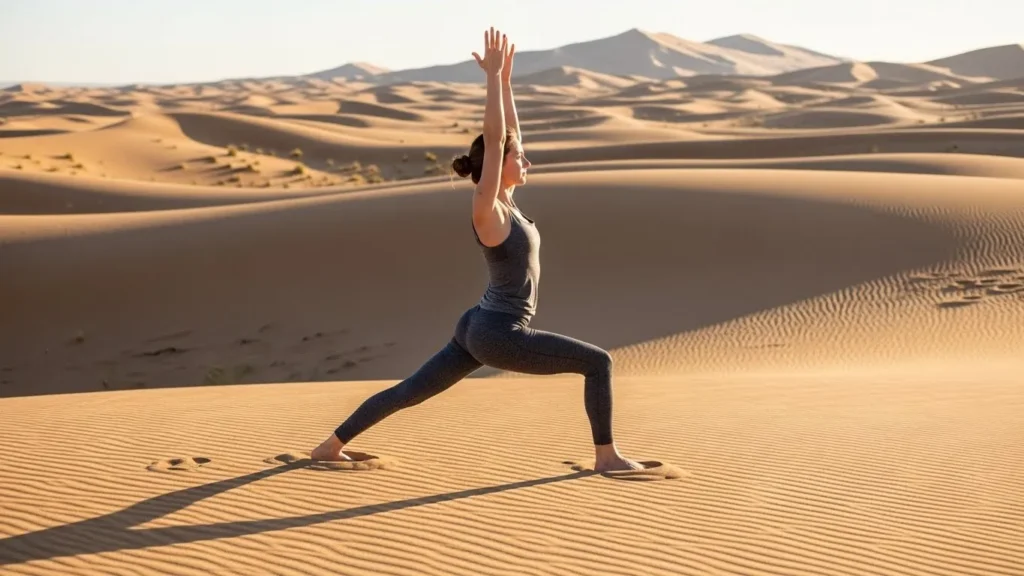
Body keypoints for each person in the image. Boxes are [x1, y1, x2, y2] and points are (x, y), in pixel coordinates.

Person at [311, 27, 642, 473]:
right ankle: (607, 458)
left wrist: (505, 81)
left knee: (410, 390)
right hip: (499, 333)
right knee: (598, 362)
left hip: (477, 325)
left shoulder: (509, 204)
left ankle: (329, 448)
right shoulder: (489, 210)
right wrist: (489, 85)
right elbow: (497, 133)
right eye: (518, 157)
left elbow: (509, 133)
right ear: (495, 166)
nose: (527, 161)